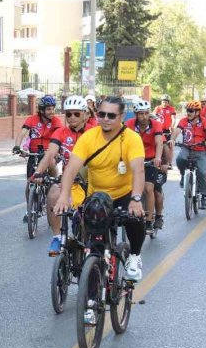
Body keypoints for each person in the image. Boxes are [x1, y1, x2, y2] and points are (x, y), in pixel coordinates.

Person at [53, 96, 147, 281]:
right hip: (97, 196)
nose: (105, 119)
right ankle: (92, 291)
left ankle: (135, 257)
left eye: (111, 115)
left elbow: (138, 170)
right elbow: (71, 169)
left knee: (136, 218)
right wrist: (64, 196)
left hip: (123, 193)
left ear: (121, 116)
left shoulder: (131, 138)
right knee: (94, 244)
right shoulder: (89, 137)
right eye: (101, 114)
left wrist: (136, 199)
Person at [31, 95, 90, 256]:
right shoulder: (60, 132)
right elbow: (50, 154)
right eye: (68, 114)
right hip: (70, 180)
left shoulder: (94, 132)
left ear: (85, 114)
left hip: (93, 181)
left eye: (76, 114)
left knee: (89, 216)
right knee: (53, 194)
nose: (72, 117)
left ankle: (89, 245)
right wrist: (38, 172)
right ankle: (57, 237)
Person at [13, 95, 62, 221]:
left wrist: (58, 151)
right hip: (34, 154)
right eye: (49, 109)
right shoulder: (32, 119)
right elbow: (23, 132)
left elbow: (60, 135)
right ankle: (29, 210)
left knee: (51, 162)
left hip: (49, 153)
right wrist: (17, 146)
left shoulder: (56, 121)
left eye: (53, 109)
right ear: (42, 110)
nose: (52, 112)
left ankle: (54, 182)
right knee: (30, 182)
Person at [126, 100, 166, 230]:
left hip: (150, 160)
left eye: (146, 113)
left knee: (150, 188)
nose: (143, 117)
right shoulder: (128, 125)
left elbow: (159, 143)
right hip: (134, 159)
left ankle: (149, 221)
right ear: (135, 114)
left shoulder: (156, 124)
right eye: (140, 114)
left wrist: (158, 158)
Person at [175, 101, 206, 209]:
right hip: (187, 147)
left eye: (191, 111)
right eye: (187, 110)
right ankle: (183, 175)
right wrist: (172, 139)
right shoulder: (183, 121)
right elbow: (177, 130)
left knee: (202, 172)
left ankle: (204, 195)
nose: (188, 113)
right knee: (180, 159)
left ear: (197, 112)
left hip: (201, 149)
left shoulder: (204, 121)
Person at [153, 94, 177, 167]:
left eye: (166, 102)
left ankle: (170, 162)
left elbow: (173, 118)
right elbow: (153, 117)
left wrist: (172, 125)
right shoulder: (158, 108)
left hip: (168, 130)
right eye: (163, 101)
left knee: (170, 145)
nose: (165, 103)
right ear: (161, 102)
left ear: (168, 102)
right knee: (157, 144)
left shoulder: (171, 109)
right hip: (159, 130)